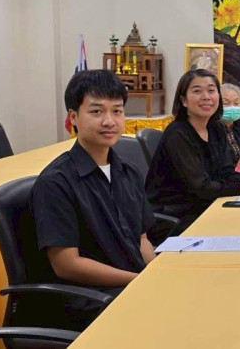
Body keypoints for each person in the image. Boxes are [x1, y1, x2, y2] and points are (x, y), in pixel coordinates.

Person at [30, 69, 156, 330]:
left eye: (117, 111)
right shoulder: (56, 182)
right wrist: (138, 280)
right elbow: (67, 264)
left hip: (132, 285)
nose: (109, 121)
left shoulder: (128, 171)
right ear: (74, 117)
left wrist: (158, 272)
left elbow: (141, 239)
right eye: (97, 111)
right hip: (91, 300)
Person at [145, 69, 240, 230]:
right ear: (184, 100)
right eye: (197, 91)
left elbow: (225, 171)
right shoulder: (178, 134)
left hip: (205, 205)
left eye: (211, 90)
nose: (206, 97)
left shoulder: (216, 128)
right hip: (176, 215)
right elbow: (201, 188)